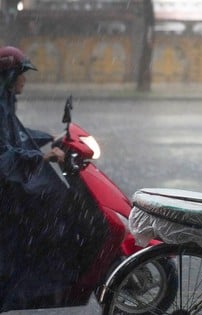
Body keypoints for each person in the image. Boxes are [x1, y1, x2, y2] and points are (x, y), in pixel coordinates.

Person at [0, 46, 108, 311]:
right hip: (8, 191)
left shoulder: (4, 103)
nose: (24, 80)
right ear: (9, 77)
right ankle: (45, 279)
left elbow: (18, 136)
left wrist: (50, 138)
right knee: (59, 211)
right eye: (21, 75)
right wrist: (42, 158)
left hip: (12, 185)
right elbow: (4, 154)